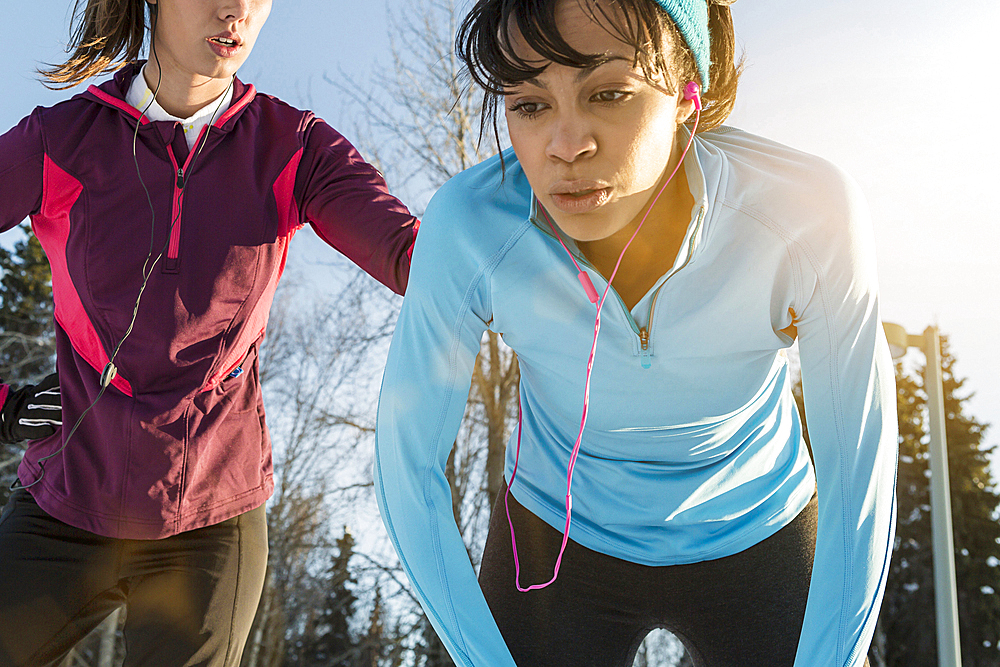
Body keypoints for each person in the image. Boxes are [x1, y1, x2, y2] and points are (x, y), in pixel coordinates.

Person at [373, 0, 897, 665]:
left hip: (759, 526)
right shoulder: (469, 226)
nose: (565, 146)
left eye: (609, 93)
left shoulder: (808, 213)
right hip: (558, 538)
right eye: (529, 105)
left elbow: (858, 462)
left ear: (687, 91)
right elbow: (406, 463)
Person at [0, 0, 418, 665]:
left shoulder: (294, 146)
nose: (237, 12)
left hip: (209, 521)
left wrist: (537, 264)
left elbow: (410, 254)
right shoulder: (61, 140)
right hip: (67, 504)